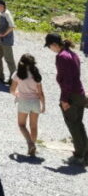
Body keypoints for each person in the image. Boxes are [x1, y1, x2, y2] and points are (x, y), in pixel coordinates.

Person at [45, 33, 87, 166]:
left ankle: (79, 156)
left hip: (71, 96)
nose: (50, 49)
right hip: (79, 93)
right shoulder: (72, 54)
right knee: (79, 125)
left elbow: (67, 81)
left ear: (54, 45)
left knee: (73, 126)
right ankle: (85, 155)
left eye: (49, 46)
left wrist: (64, 100)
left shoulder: (61, 57)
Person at [10, 53, 46, 157]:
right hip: (35, 102)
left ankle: (30, 144)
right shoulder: (36, 75)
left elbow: (12, 90)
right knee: (33, 126)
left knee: (21, 125)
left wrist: (16, 94)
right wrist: (43, 105)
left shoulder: (17, 74)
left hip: (23, 102)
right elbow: (40, 93)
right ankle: (33, 147)